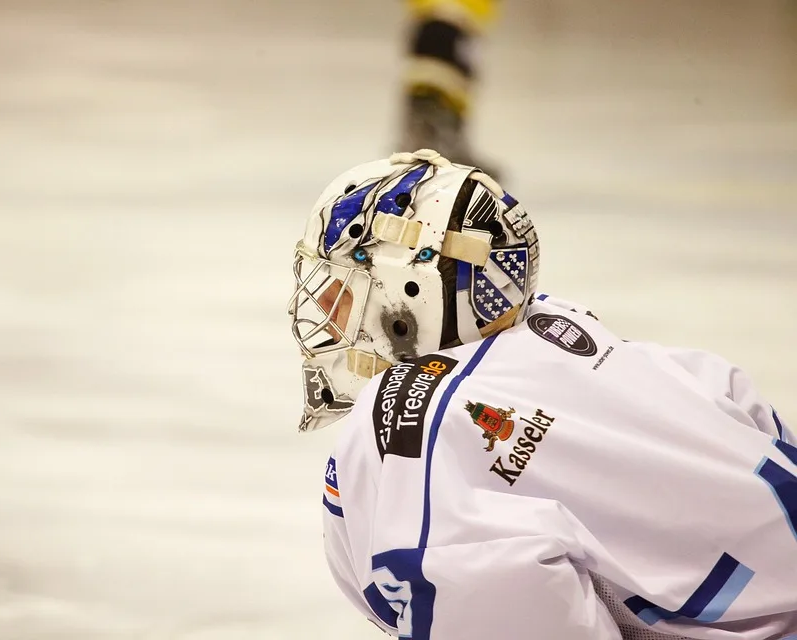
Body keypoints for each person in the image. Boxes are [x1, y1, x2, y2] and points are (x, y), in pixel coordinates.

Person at [287, 149, 797, 640]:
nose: (328, 312)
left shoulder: (413, 413)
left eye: (343, 288)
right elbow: (744, 408)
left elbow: (499, 598)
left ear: (412, 292)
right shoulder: (572, 329)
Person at [399, 0, 498, 169]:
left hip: (447, 22)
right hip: (453, 22)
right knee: (438, 85)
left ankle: (423, 146)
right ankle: (434, 148)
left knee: (435, 85)